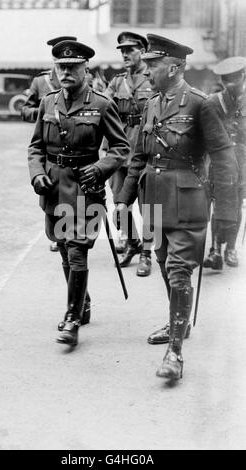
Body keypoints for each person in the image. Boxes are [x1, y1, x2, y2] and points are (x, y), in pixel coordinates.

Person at [115, 34, 239, 380]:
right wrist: (124, 198)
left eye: (153, 65)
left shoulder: (202, 104)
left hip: (188, 198)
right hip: (154, 197)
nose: (148, 69)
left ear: (173, 67)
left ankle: (176, 353)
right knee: (163, 261)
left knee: (179, 268)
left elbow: (224, 159)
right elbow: (138, 153)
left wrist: (226, 213)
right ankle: (178, 324)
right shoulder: (153, 103)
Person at [28, 39, 130, 347]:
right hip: (55, 187)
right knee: (61, 246)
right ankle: (82, 301)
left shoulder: (101, 103)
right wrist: (37, 175)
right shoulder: (48, 102)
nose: (66, 72)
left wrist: (100, 168)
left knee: (76, 248)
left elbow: (120, 147)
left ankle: (72, 318)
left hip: (86, 188)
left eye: (73, 67)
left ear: (85, 68)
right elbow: (35, 147)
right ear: (55, 68)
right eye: (61, 67)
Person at [22, 35, 77, 252]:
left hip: (74, 145)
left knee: (74, 191)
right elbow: (24, 110)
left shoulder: (80, 78)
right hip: (49, 142)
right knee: (52, 190)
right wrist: (45, 113)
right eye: (57, 53)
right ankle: (60, 236)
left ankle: (71, 240)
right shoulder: (40, 82)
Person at [105, 32, 154, 277]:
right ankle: (133, 243)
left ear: (142, 51)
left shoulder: (153, 78)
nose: (124, 55)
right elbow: (102, 112)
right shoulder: (116, 82)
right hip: (121, 149)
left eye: (130, 50)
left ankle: (147, 252)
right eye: (122, 51)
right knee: (119, 204)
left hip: (145, 149)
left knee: (148, 206)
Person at [203, 56, 246, 270]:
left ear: (242, 77)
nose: (231, 84)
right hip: (219, 162)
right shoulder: (213, 102)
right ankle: (215, 249)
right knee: (219, 204)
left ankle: (230, 248)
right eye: (226, 80)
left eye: (234, 80)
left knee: (236, 205)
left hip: (243, 162)